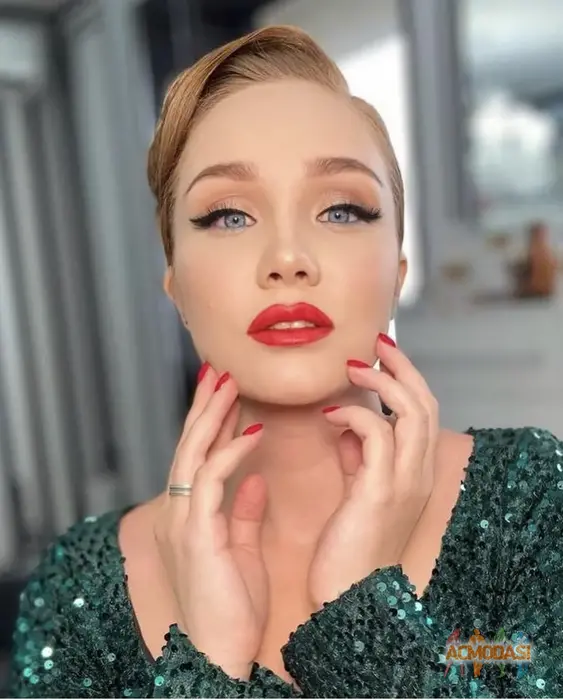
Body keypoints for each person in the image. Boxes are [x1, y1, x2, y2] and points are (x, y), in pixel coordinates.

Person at [9, 25, 563, 698]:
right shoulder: (74, 590)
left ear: (396, 275)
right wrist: (207, 665)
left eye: (341, 209)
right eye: (228, 216)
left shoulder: (532, 501)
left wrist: (365, 616)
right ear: (177, 291)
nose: (287, 258)